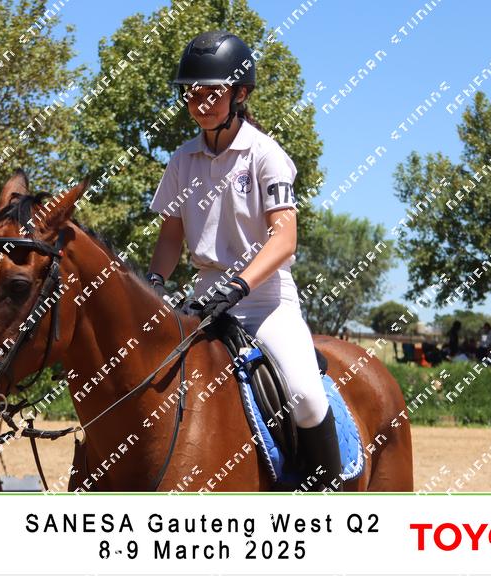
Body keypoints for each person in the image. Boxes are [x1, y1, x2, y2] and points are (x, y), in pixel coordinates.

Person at [146, 31, 342, 492]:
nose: (200, 102)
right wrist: (154, 280)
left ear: (240, 93)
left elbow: (284, 239)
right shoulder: (181, 160)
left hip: (265, 301)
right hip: (203, 299)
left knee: (306, 397)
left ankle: (326, 497)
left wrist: (238, 286)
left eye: (212, 92)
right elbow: (171, 236)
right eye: (192, 93)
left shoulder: (266, 155)